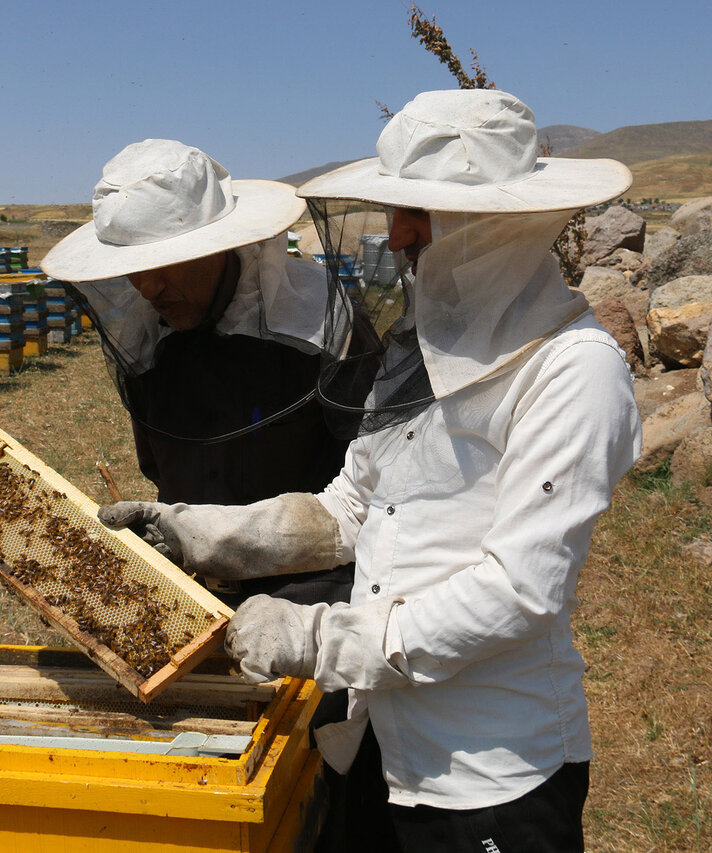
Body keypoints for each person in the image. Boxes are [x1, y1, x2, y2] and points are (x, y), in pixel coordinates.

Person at [98, 91, 642, 851]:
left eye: (425, 211)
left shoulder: (574, 369)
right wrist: (203, 532)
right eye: (395, 208)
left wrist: (321, 639)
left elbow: (520, 590)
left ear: (507, 222)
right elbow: (349, 507)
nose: (400, 233)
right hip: (380, 738)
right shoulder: (417, 349)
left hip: (491, 770)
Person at [41, 138, 373, 609]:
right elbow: (160, 466)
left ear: (221, 246)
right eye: (132, 267)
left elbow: (372, 486)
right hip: (191, 587)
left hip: (313, 591)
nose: (147, 286)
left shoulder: (320, 321)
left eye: (163, 264)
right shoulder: (148, 333)